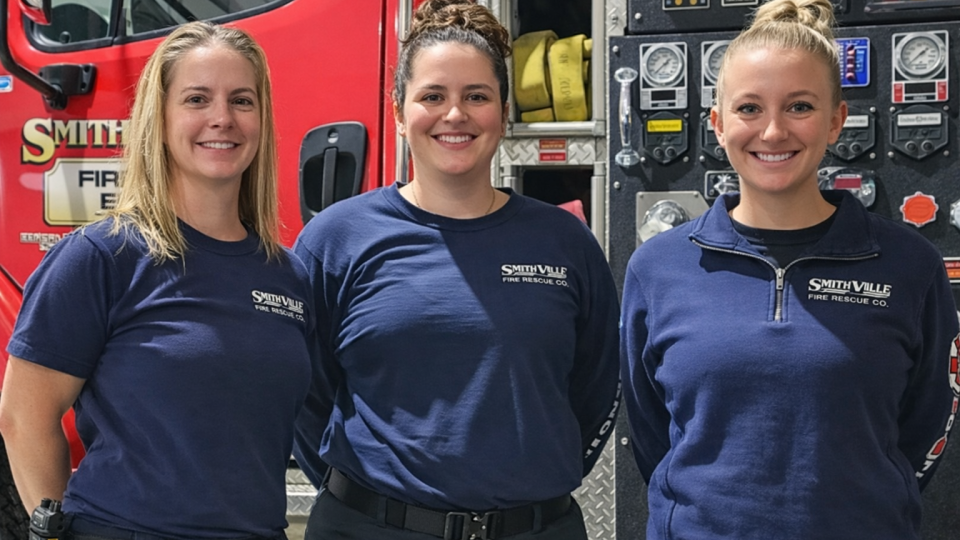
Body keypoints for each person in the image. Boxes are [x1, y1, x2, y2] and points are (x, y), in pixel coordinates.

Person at [619, 0, 960, 538]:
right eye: (749, 108)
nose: (773, 132)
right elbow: (650, 432)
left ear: (836, 121)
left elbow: (925, 427)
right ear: (717, 123)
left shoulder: (908, 265)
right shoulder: (659, 267)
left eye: (799, 106)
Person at [291, 1, 620, 539]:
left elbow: (596, 384)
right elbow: (305, 395)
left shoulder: (564, 242)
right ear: (399, 112)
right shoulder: (336, 240)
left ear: (504, 111)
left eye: (476, 96)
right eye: (432, 97)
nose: (455, 115)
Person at [0, 22, 315, 540]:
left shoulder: (289, 276)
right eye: (197, 99)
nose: (222, 118)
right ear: (160, 118)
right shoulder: (102, 257)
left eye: (242, 100)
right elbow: (23, 419)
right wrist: (51, 533)